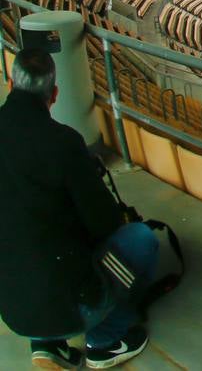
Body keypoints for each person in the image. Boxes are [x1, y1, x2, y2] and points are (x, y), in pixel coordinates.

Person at [0, 48, 157, 369]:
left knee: (28, 249)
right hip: (69, 299)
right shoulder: (62, 142)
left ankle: (47, 345)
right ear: (54, 94)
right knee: (140, 240)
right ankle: (105, 340)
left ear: (10, 84)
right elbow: (104, 223)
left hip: (12, 306)